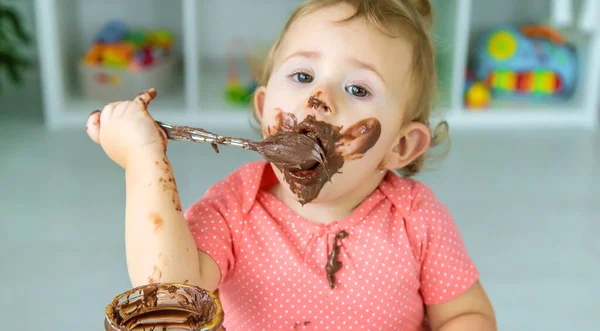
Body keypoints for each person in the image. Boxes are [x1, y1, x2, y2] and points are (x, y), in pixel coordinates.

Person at [86, 0, 496, 329]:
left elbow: (466, 315)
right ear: (264, 108)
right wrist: (143, 159)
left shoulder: (416, 219)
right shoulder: (234, 210)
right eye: (302, 76)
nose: (319, 98)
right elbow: (170, 294)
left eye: (357, 88)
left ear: (401, 146)